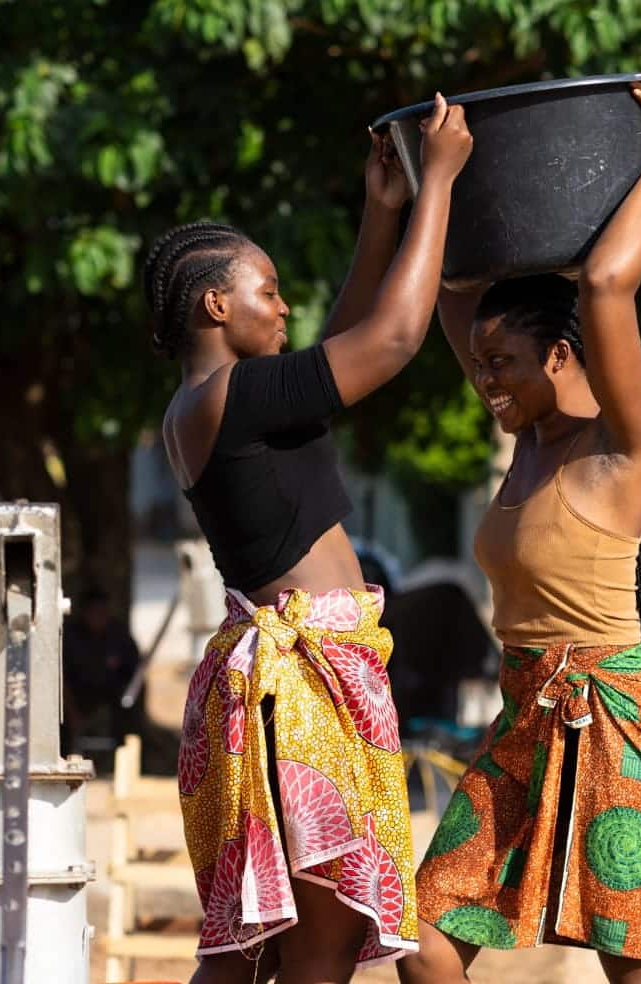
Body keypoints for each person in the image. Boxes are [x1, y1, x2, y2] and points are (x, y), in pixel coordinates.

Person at [143, 96, 472, 983]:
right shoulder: (234, 400)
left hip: (289, 686)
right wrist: (440, 182)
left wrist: (382, 214)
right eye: (268, 291)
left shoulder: (212, 405)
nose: (284, 306)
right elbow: (391, 340)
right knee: (316, 951)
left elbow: (339, 350)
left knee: (253, 952)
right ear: (217, 303)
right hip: (300, 695)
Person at [401, 80, 641, 984]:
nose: (485, 382)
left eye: (502, 365)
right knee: (424, 943)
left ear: (562, 356)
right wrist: (431, 180)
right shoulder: (525, 444)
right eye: (479, 366)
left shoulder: (620, 446)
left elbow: (606, 282)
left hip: (615, 724)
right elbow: (449, 293)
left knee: (635, 972)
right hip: (523, 718)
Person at [60, 585, 144, 750]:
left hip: (113, 695)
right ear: (84, 613)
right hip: (77, 695)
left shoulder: (119, 635)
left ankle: (126, 745)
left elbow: (135, 671)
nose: (98, 618)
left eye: (102, 612)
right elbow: (62, 679)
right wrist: (72, 713)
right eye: (94, 612)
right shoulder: (71, 638)